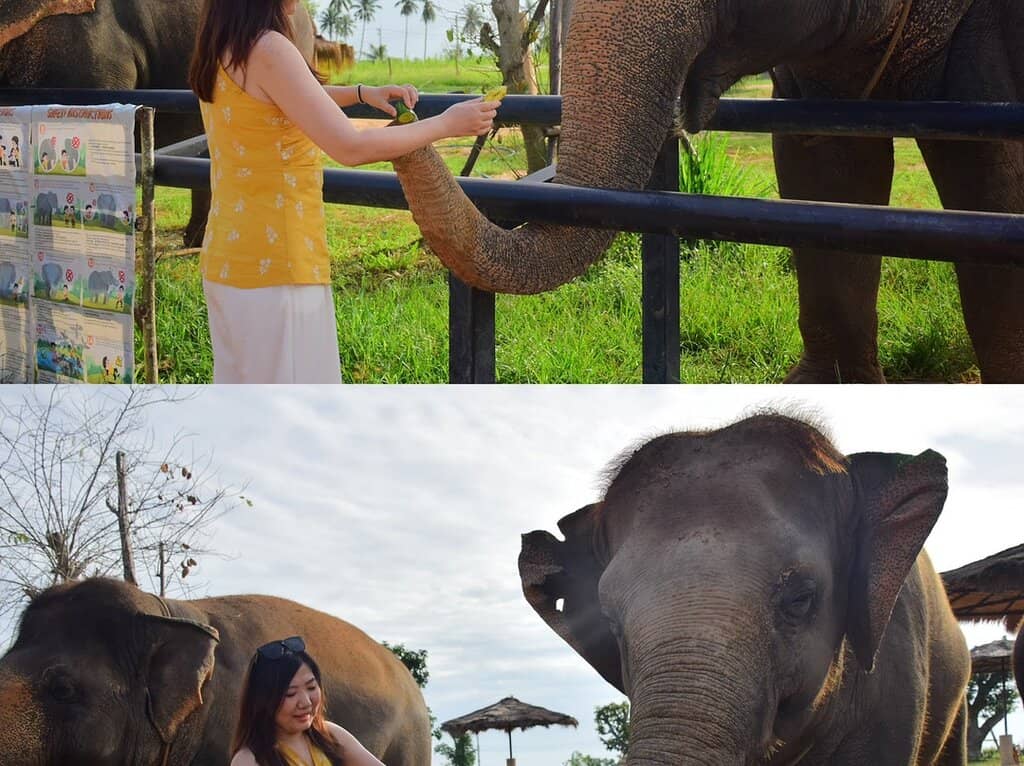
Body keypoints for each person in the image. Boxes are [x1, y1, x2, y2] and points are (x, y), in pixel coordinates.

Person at [188, 0, 498, 384]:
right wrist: (447, 123)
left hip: (230, 264)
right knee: (299, 410)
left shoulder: (222, 46)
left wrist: (362, 93)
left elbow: (287, 97)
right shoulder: (269, 49)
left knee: (245, 407)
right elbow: (350, 147)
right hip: (279, 268)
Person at [231, 636, 385, 766]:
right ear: (262, 699)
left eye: (311, 687)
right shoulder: (249, 760)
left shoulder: (330, 735)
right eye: (290, 694)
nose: (306, 703)